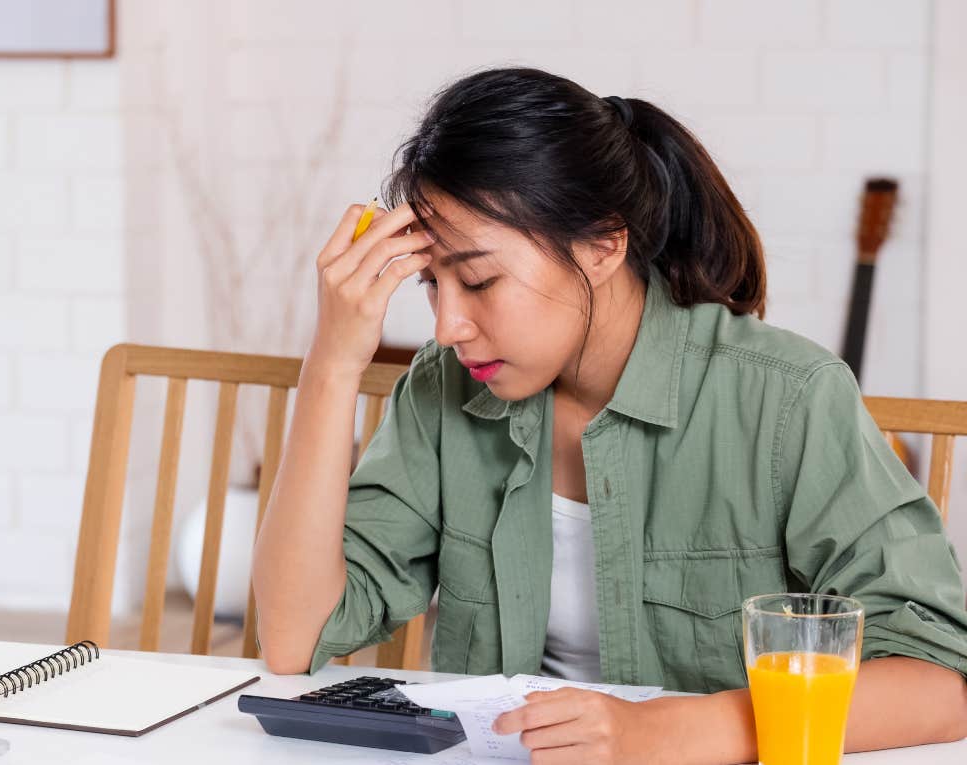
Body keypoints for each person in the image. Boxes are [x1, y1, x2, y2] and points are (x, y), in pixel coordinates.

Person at [250, 67, 967, 763]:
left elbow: (939, 683)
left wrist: (671, 733)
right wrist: (333, 364)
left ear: (602, 243)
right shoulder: (444, 391)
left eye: (477, 280)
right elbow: (293, 637)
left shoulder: (786, 397)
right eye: (431, 286)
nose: (448, 327)